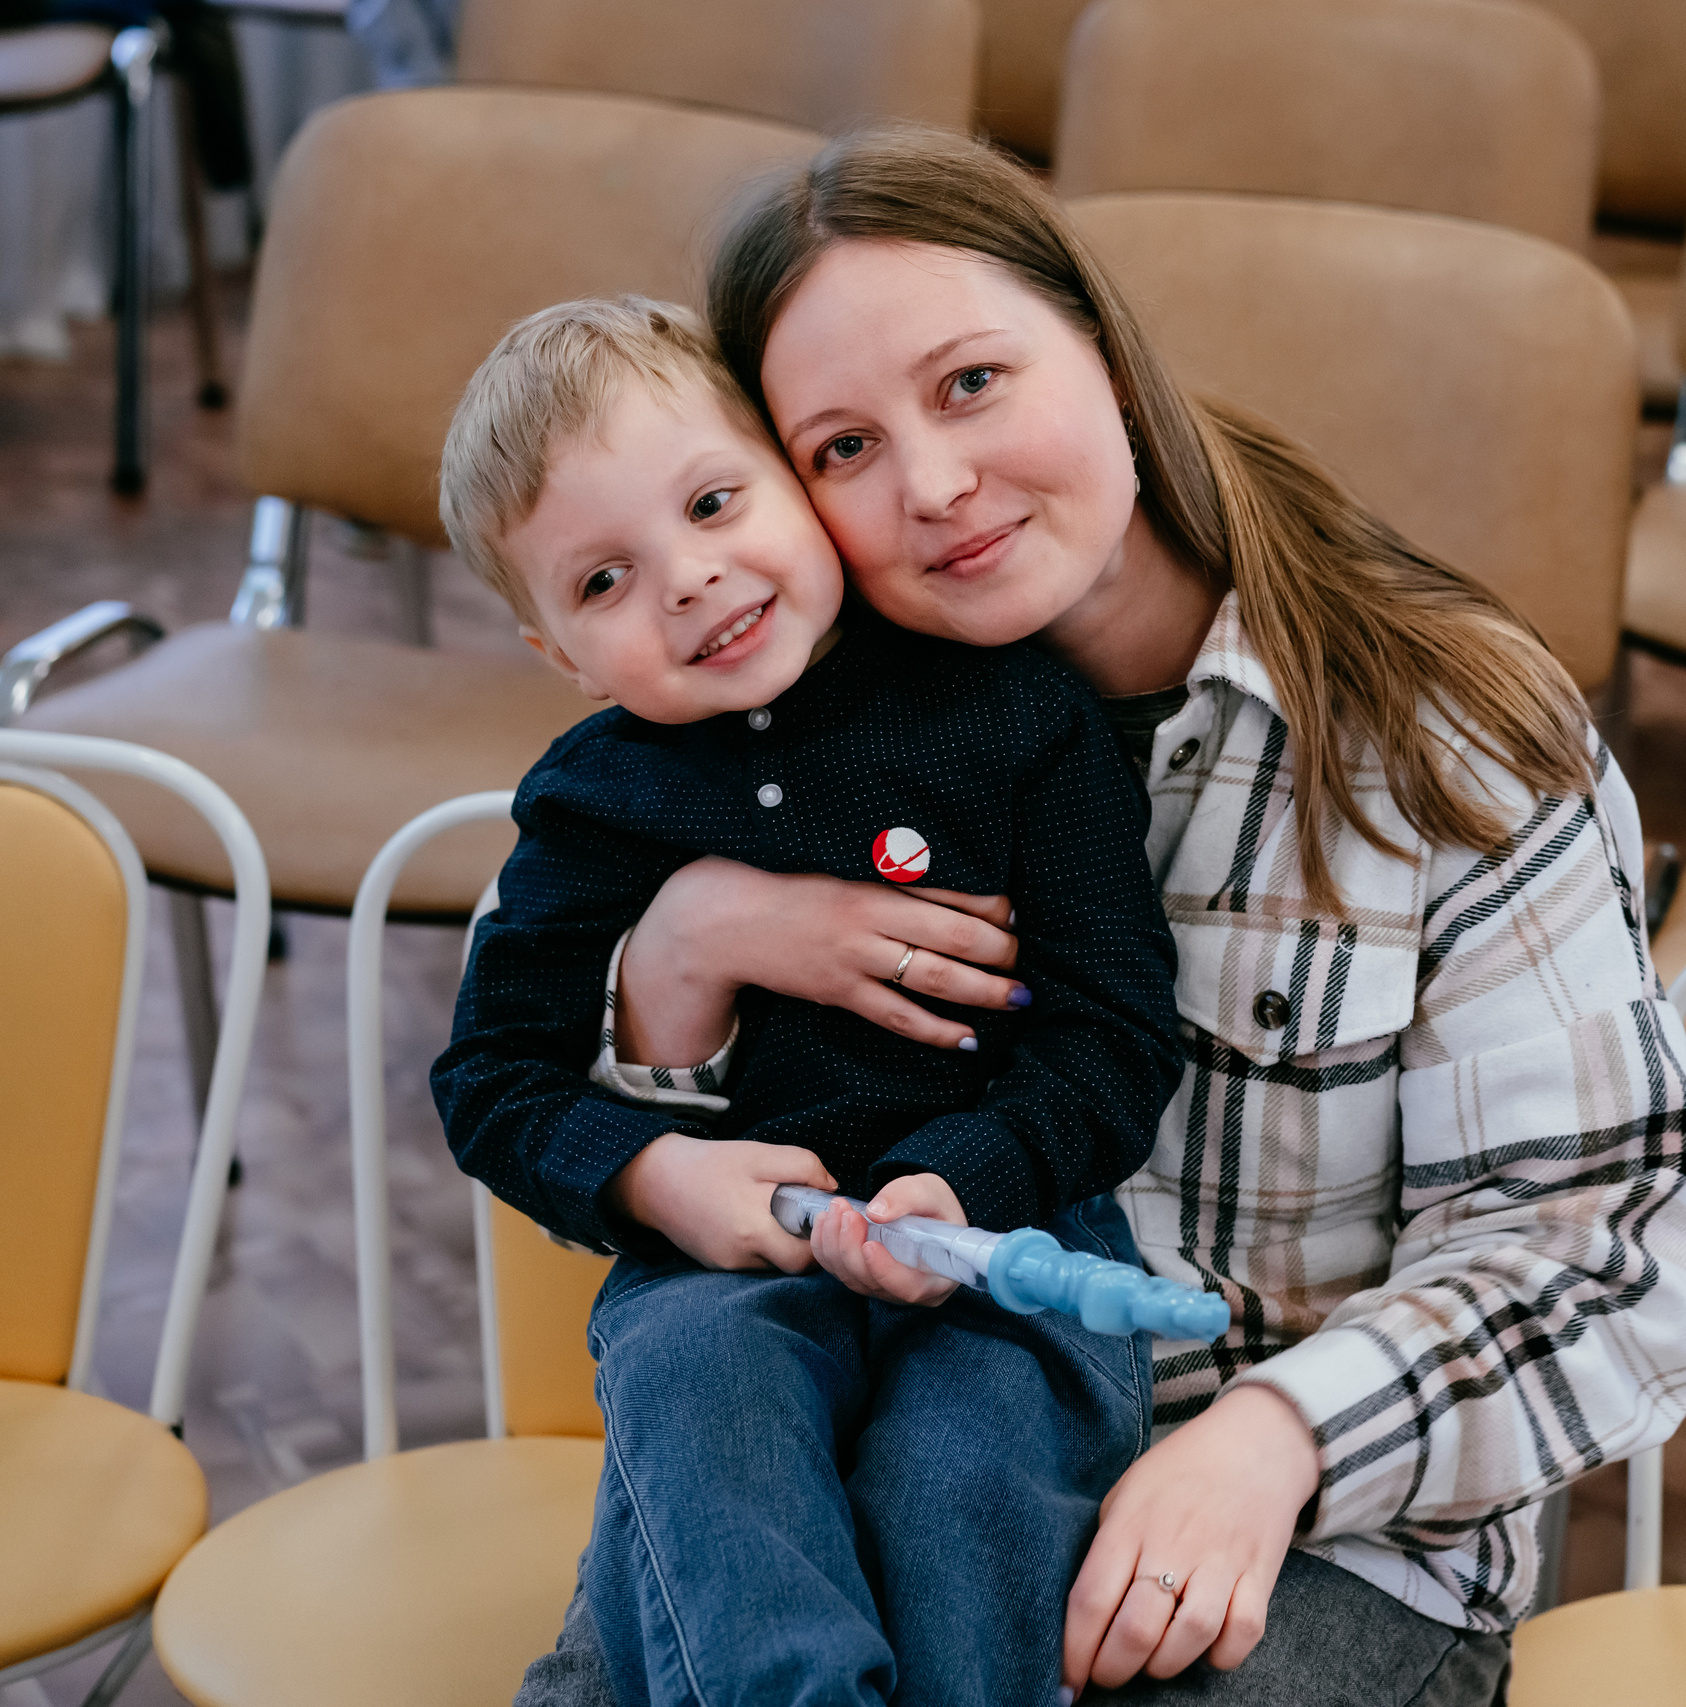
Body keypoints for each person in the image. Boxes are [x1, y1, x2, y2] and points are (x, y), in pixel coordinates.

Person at [517, 126, 1686, 1706]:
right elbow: (591, 1160)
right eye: (842, 448)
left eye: (970, 383)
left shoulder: (1452, 737)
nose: (937, 486)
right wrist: (686, 955)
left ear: (1103, 344)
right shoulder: (726, 735)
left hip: (1301, 1522)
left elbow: (1599, 1254)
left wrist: (1271, 1443)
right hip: (849, 1450)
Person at [429, 294, 1184, 1707]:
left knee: (965, 1471)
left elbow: (1114, 1033)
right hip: (731, 1260)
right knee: (693, 1387)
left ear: (799, 484)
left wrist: (963, 1185)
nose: (692, 581)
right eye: (602, 583)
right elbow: (491, 1083)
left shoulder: (1016, 711)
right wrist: (659, 1176)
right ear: (557, 656)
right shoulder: (593, 803)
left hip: (1001, 1239)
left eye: (717, 503)